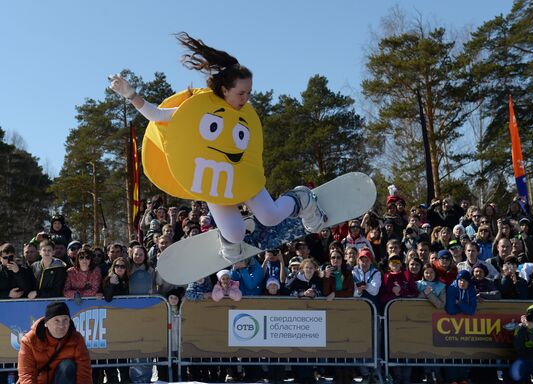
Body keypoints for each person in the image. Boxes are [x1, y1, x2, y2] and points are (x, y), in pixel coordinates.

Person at [109, 32, 327, 263]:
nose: (245, 98)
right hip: (212, 178)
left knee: (270, 216)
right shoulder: (198, 110)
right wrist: (131, 94)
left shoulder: (244, 115)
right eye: (241, 93)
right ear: (224, 90)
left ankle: (301, 199)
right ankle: (230, 238)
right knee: (235, 232)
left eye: (249, 93)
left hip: (240, 172)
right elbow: (157, 115)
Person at [17, 301, 92, 384]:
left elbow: (84, 372)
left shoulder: (76, 339)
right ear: (46, 323)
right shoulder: (29, 340)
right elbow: (26, 374)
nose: (62, 325)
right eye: (57, 320)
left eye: (65, 320)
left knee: (67, 365)